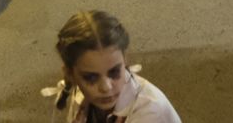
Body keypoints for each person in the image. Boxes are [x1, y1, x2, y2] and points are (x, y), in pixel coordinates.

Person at [49, 10, 180, 123]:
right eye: (91, 78)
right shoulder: (81, 94)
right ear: (71, 75)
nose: (106, 87)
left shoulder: (151, 114)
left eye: (114, 72)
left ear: (125, 61)